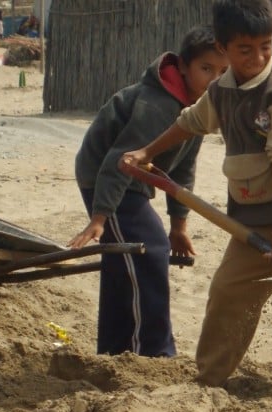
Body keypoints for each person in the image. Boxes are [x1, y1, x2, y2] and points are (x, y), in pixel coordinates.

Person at [122, 0, 272, 397]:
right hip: (252, 222)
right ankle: (208, 382)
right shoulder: (221, 92)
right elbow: (189, 123)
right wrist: (146, 154)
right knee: (228, 295)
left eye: (266, 46)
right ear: (223, 48)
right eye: (245, 49)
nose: (257, 57)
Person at [67, 25, 229, 358]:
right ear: (183, 66)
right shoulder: (157, 105)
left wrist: (178, 226)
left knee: (122, 264)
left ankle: (114, 352)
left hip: (134, 180)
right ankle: (154, 353)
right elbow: (118, 159)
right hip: (106, 178)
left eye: (224, 71)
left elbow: (182, 168)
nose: (215, 79)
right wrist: (101, 217)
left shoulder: (198, 105)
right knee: (147, 249)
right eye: (206, 69)